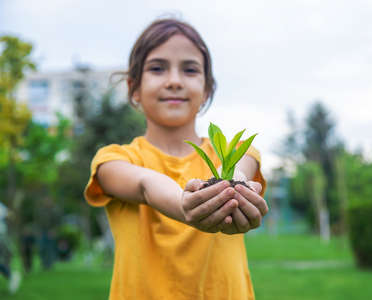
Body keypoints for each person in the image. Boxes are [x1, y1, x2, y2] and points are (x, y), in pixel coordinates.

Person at [84, 18, 268, 300]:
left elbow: (236, 171)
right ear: (134, 87)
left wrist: (234, 189)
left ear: (206, 89)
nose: (174, 81)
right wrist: (188, 208)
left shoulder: (237, 151)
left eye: (190, 69)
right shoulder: (114, 161)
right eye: (157, 68)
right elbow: (146, 184)